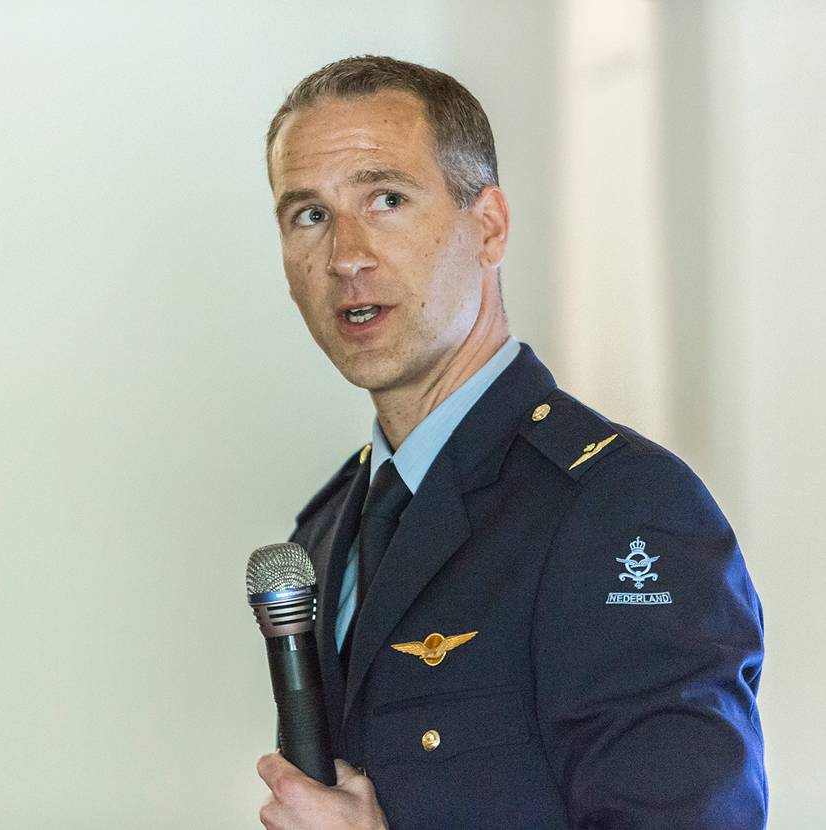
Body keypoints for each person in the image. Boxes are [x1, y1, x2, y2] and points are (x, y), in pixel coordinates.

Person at [255, 55, 766, 830]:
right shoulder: (325, 533)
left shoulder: (620, 508)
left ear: (489, 226)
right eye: (309, 216)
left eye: (386, 199)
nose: (345, 256)